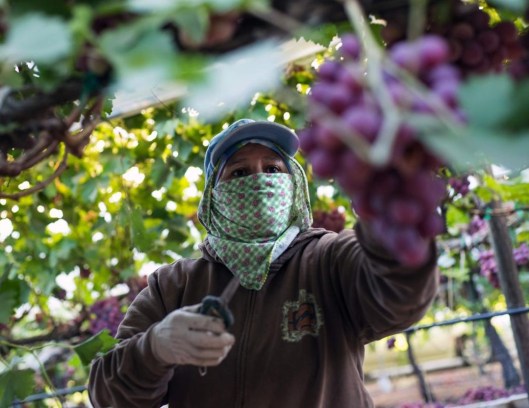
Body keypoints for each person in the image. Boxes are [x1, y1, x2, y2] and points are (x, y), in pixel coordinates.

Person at [88, 118, 439, 408]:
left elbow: (400, 298)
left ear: (293, 185)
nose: (258, 180)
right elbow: (108, 395)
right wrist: (155, 347)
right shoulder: (172, 286)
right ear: (214, 197)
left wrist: (388, 226)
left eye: (272, 169)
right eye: (239, 173)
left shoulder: (329, 258)